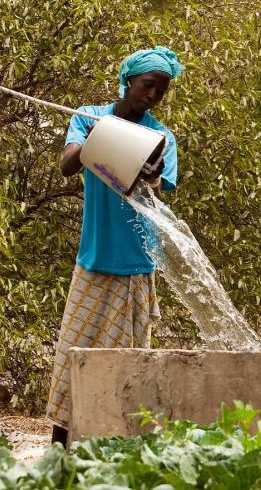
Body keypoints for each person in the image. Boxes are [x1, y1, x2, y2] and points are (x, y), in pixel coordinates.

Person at [45, 46, 184, 446]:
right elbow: (68, 164)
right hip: (93, 258)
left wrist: (149, 168)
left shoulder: (161, 137)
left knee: (128, 368)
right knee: (73, 359)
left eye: (162, 89)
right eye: (148, 85)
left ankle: (117, 450)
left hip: (137, 263)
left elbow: (157, 186)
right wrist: (101, 137)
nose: (154, 95)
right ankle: (60, 449)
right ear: (128, 81)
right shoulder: (89, 116)